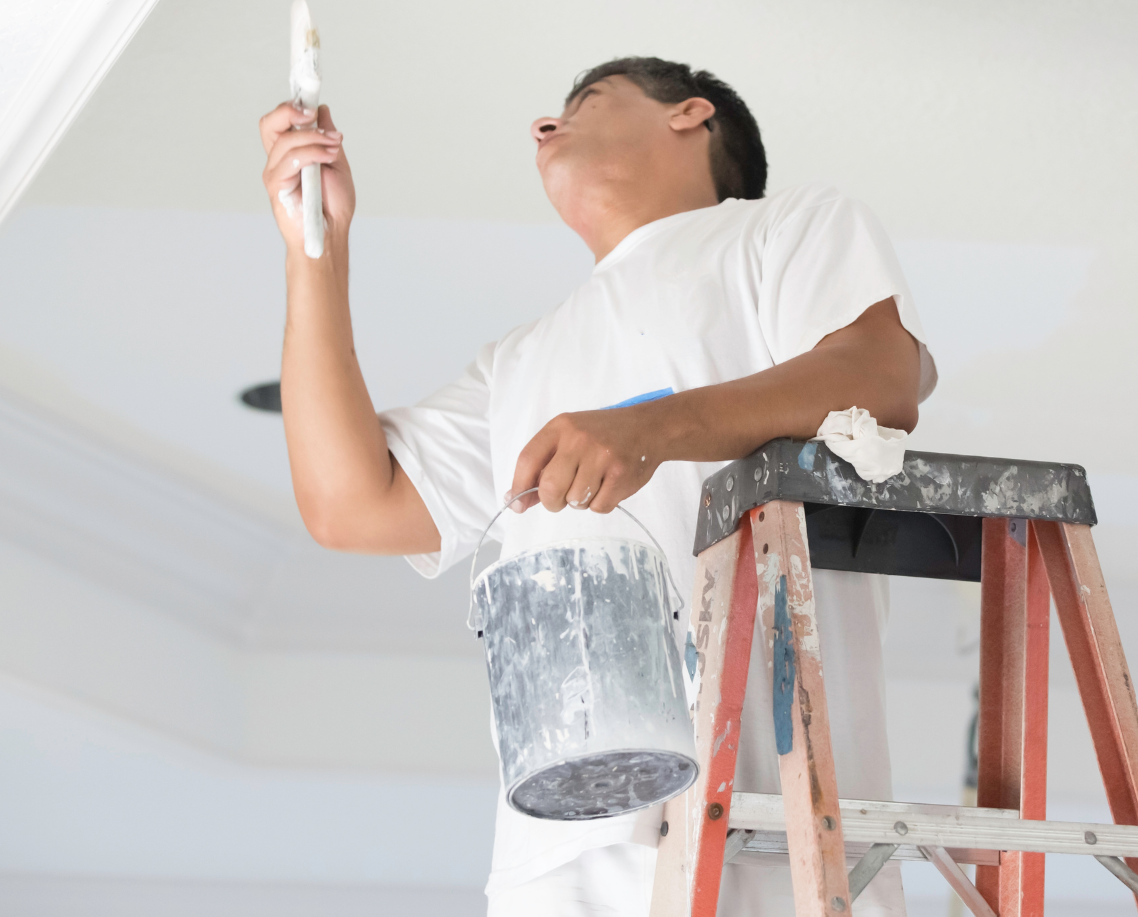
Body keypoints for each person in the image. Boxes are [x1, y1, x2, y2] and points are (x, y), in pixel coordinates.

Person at [257, 57, 936, 915]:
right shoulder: (521, 360)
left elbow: (879, 375)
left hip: (770, 827)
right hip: (562, 841)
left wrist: (652, 429)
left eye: (586, 103)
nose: (545, 128)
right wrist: (315, 249)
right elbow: (352, 504)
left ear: (691, 115)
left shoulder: (779, 232)